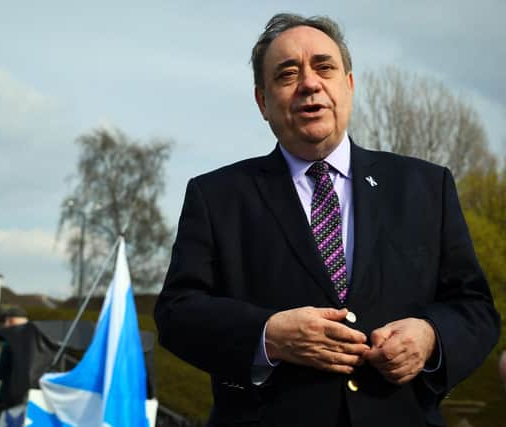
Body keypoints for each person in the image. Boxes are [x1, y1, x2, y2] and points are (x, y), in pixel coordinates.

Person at [154, 13, 500, 427]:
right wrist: (268, 335)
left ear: (348, 86)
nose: (309, 83)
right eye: (287, 74)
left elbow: (475, 308)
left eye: (324, 67)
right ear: (263, 101)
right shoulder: (217, 197)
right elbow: (177, 313)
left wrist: (430, 337)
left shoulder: (427, 186)